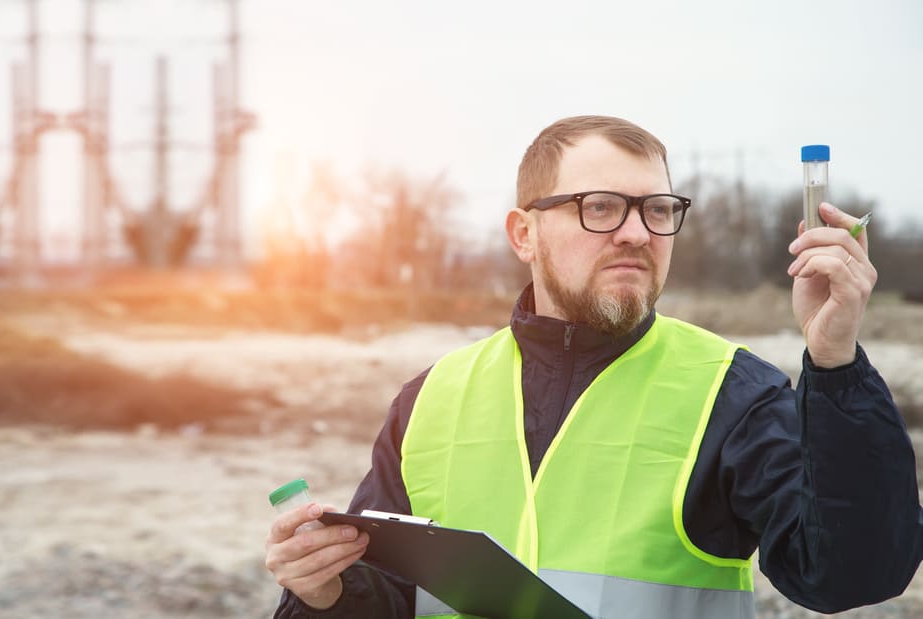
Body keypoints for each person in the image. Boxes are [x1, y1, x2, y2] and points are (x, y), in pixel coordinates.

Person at [265, 115, 922, 618]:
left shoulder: (732, 393)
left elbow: (855, 573)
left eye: (658, 210)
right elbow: (387, 597)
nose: (637, 232)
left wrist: (833, 360)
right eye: (601, 206)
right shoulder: (431, 397)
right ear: (524, 234)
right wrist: (323, 588)